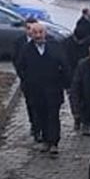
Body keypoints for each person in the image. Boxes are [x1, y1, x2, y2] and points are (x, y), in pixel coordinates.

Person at [14, 21, 70, 155]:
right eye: (35, 33)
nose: (38, 35)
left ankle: (54, 142)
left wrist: (64, 83)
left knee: (53, 115)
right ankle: (45, 140)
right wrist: (27, 81)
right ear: (31, 34)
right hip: (35, 90)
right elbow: (20, 67)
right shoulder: (26, 49)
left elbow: (64, 65)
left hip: (53, 88)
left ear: (45, 33)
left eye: (40, 32)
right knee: (41, 115)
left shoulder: (55, 46)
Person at [13, 28, 42, 143]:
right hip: (29, 83)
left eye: (35, 30)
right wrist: (23, 77)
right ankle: (35, 127)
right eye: (29, 29)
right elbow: (17, 61)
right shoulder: (21, 43)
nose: (32, 32)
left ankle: (41, 129)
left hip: (44, 84)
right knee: (32, 105)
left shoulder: (47, 43)